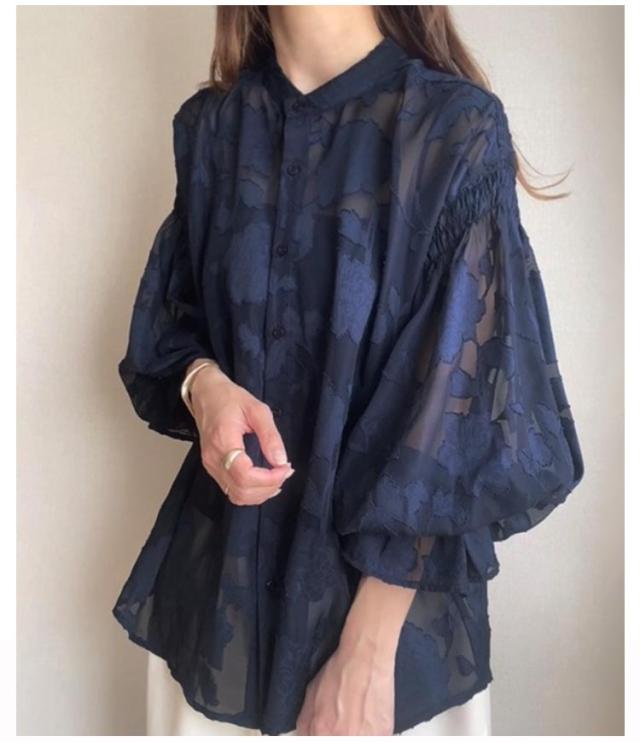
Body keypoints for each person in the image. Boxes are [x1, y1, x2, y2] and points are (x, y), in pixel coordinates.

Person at [112, 5, 584, 736]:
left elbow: (461, 419)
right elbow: (170, 325)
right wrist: (205, 388)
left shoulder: (455, 129)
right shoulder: (209, 130)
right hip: (216, 624)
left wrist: (365, 652)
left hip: (384, 651)